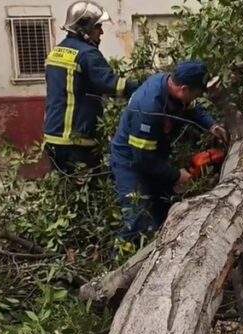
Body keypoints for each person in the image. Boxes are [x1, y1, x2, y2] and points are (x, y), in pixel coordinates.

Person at [110, 60, 227, 242]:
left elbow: (193, 109)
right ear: (184, 89)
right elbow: (143, 159)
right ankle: (126, 263)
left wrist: (212, 125)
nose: (199, 96)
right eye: (198, 92)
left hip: (154, 155)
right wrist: (175, 175)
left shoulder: (172, 86)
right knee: (139, 223)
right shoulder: (149, 108)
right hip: (131, 162)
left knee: (163, 209)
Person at [42, 1, 136, 174]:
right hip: (76, 141)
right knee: (88, 191)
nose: (101, 31)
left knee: (67, 190)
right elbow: (112, 84)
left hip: (53, 137)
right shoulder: (87, 53)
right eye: (98, 26)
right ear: (84, 28)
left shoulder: (55, 51)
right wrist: (144, 88)